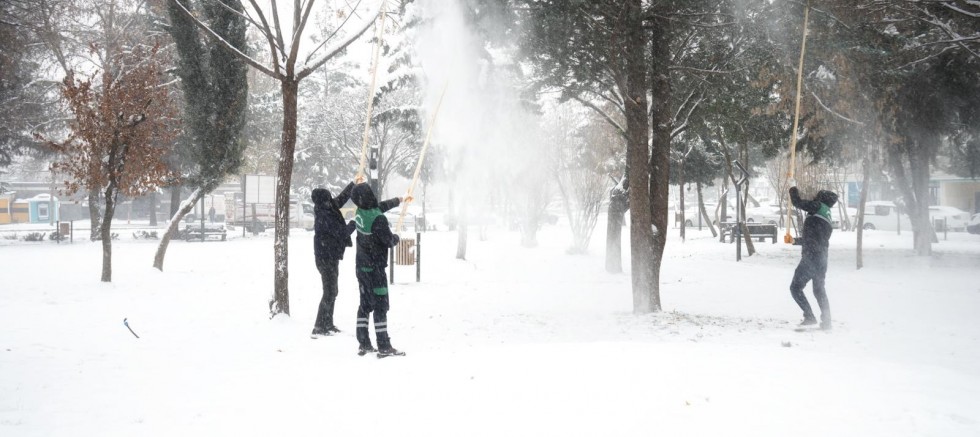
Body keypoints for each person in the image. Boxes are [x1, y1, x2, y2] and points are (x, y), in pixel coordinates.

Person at [350, 182, 411, 356]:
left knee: (365, 305)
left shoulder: (360, 211)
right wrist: (396, 237)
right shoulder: (378, 219)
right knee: (380, 305)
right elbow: (388, 241)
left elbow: (380, 207)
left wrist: (400, 199)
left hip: (361, 268)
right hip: (375, 270)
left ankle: (363, 343)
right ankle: (384, 346)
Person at [788, 180, 839, 330]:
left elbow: (797, 202)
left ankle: (809, 316)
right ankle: (827, 321)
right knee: (819, 290)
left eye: (817, 196)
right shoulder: (827, 215)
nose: (814, 197)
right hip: (822, 258)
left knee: (795, 287)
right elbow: (814, 238)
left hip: (811, 257)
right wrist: (794, 240)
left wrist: (792, 187)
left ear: (821, 198)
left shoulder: (818, 207)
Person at [310, 182, 356, 338]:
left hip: (331, 256)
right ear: (323, 201)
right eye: (328, 198)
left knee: (333, 291)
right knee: (329, 292)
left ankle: (328, 323)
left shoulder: (329, 208)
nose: (331, 200)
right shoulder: (324, 215)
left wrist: (353, 184)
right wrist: (354, 223)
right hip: (325, 258)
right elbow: (341, 233)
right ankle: (319, 326)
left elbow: (342, 198)